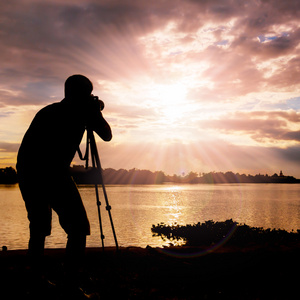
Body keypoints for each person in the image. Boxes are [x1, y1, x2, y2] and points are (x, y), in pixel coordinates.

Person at [17, 75, 112, 273]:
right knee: (78, 227)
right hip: (49, 173)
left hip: (29, 171)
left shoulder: (48, 111)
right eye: (88, 94)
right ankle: (70, 282)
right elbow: (107, 135)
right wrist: (96, 113)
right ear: (83, 94)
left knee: (39, 227)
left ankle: (35, 279)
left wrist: (92, 112)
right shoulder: (81, 114)